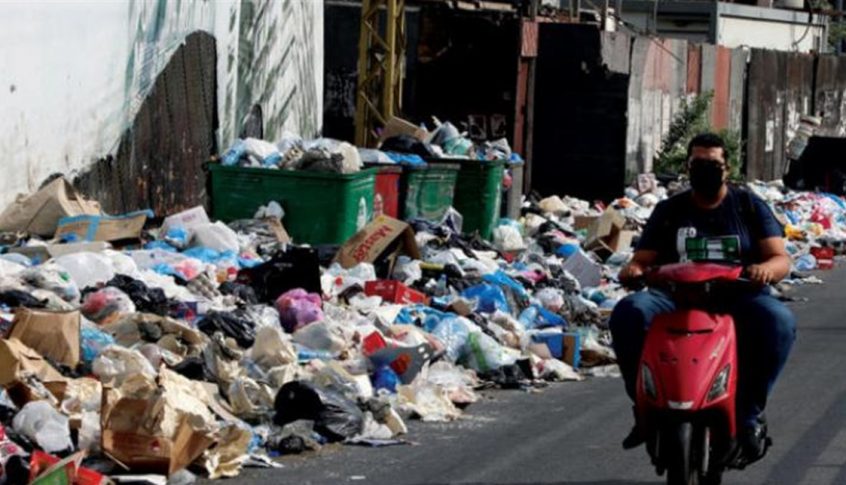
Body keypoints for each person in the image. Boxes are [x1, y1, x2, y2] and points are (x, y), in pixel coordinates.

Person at [609, 133, 796, 465]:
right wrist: (634, 271)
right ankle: (645, 406)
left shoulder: (748, 206)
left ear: (727, 169)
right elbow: (642, 259)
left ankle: (750, 415)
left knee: (779, 322)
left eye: (712, 164)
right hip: (675, 298)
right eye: (698, 164)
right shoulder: (670, 210)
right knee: (629, 313)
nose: (705, 170)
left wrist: (766, 270)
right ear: (687, 167)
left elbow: (780, 258)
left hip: (737, 297)